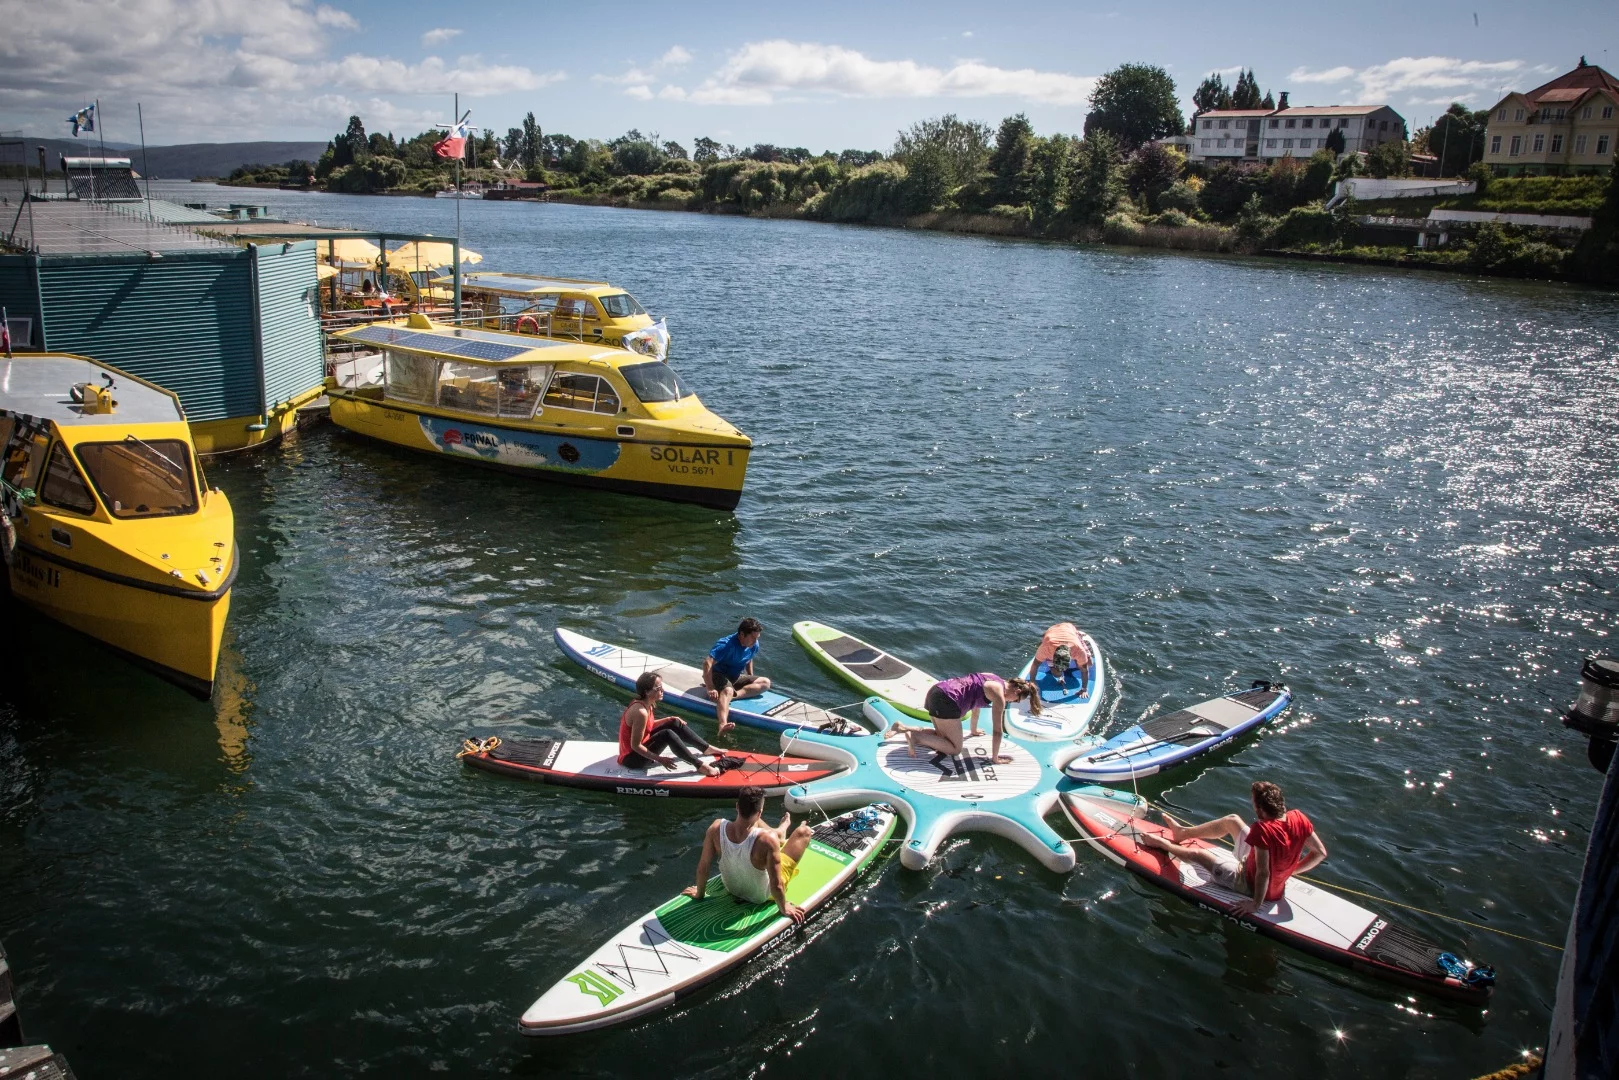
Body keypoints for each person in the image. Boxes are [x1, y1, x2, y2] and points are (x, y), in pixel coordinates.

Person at [1138, 780, 1328, 915]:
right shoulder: (1299, 817)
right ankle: (1182, 833)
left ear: (1260, 809)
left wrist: (1255, 904)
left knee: (1198, 854)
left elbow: (1263, 873)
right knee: (1232, 820)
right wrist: (1290, 872)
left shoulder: (1263, 829)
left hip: (1248, 883)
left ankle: (1161, 844)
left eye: (1253, 802)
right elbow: (1320, 853)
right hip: (1258, 867)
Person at [682, 785, 812, 923]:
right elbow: (777, 883)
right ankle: (780, 834)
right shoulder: (768, 840)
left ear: (737, 806)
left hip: (732, 888)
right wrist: (784, 907)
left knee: (749, 825)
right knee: (804, 832)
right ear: (760, 812)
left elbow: (703, 867)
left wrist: (699, 894)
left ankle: (780, 832)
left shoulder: (715, 828)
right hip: (760, 896)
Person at [885, 672, 1040, 765]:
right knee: (954, 749)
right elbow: (997, 731)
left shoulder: (992, 677)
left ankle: (902, 728)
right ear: (1017, 690)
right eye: (1016, 699)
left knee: (942, 738)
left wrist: (973, 730)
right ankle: (915, 737)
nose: (1012, 702)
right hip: (947, 700)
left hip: (937, 690)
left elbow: (976, 705)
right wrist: (995, 758)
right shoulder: (999, 694)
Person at [618, 671, 720, 776]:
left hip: (641, 746)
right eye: (658, 689)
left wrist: (668, 719)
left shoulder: (647, 703)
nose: (663, 690)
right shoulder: (640, 712)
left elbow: (647, 725)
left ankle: (706, 748)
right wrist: (660, 759)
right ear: (647, 692)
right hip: (631, 759)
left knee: (673, 722)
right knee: (667, 734)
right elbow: (635, 746)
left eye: (661, 686)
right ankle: (700, 766)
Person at [703, 617, 772, 736]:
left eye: (757, 638)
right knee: (728, 690)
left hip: (735, 676)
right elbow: (707, 663)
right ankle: (722, 725)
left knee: (765, 682)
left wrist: (750, 676)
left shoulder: (753, 644)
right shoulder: (726, 645)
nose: (755, 641)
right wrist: (710, 687)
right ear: (742, 634)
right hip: (718, 675)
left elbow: (749, 658)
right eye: (753, 637)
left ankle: (731, 697)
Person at [1033, 622, 1092, 690]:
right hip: (1052, 633)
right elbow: (1035, 664)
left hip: (1069, 630)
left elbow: (1085, 670)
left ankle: (1079, 635)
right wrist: (1032, 681)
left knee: (1089, 664)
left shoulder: (1079, 650)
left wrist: (1084, 689)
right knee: (1056, 674)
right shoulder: (1047, 648)